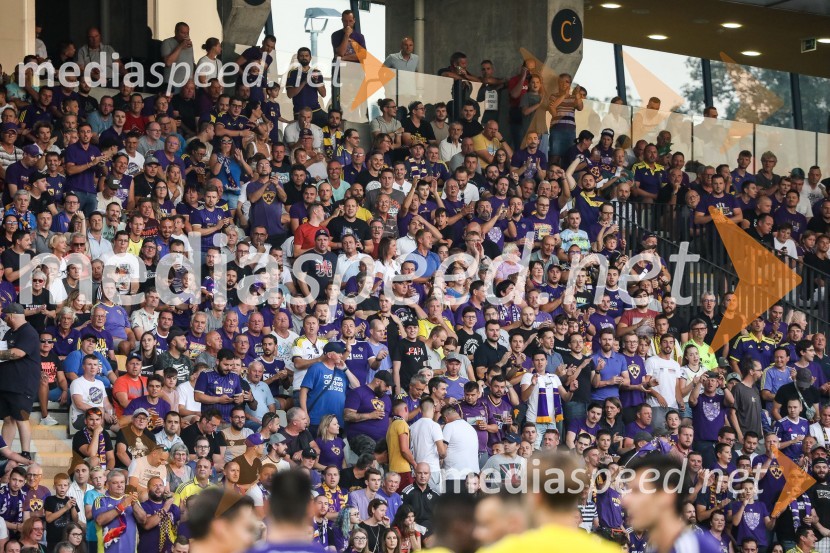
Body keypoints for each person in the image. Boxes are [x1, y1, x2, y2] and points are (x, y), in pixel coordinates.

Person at [0, 303, 41, 461]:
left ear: (11, 316)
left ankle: (25, 451)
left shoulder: (29, 332)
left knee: (21, 417)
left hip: (22, 384)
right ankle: (5, 451)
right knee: (8, 418)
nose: (4, 319)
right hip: (7, 384)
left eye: (5, 316)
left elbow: (18, 353)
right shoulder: (10, 332)